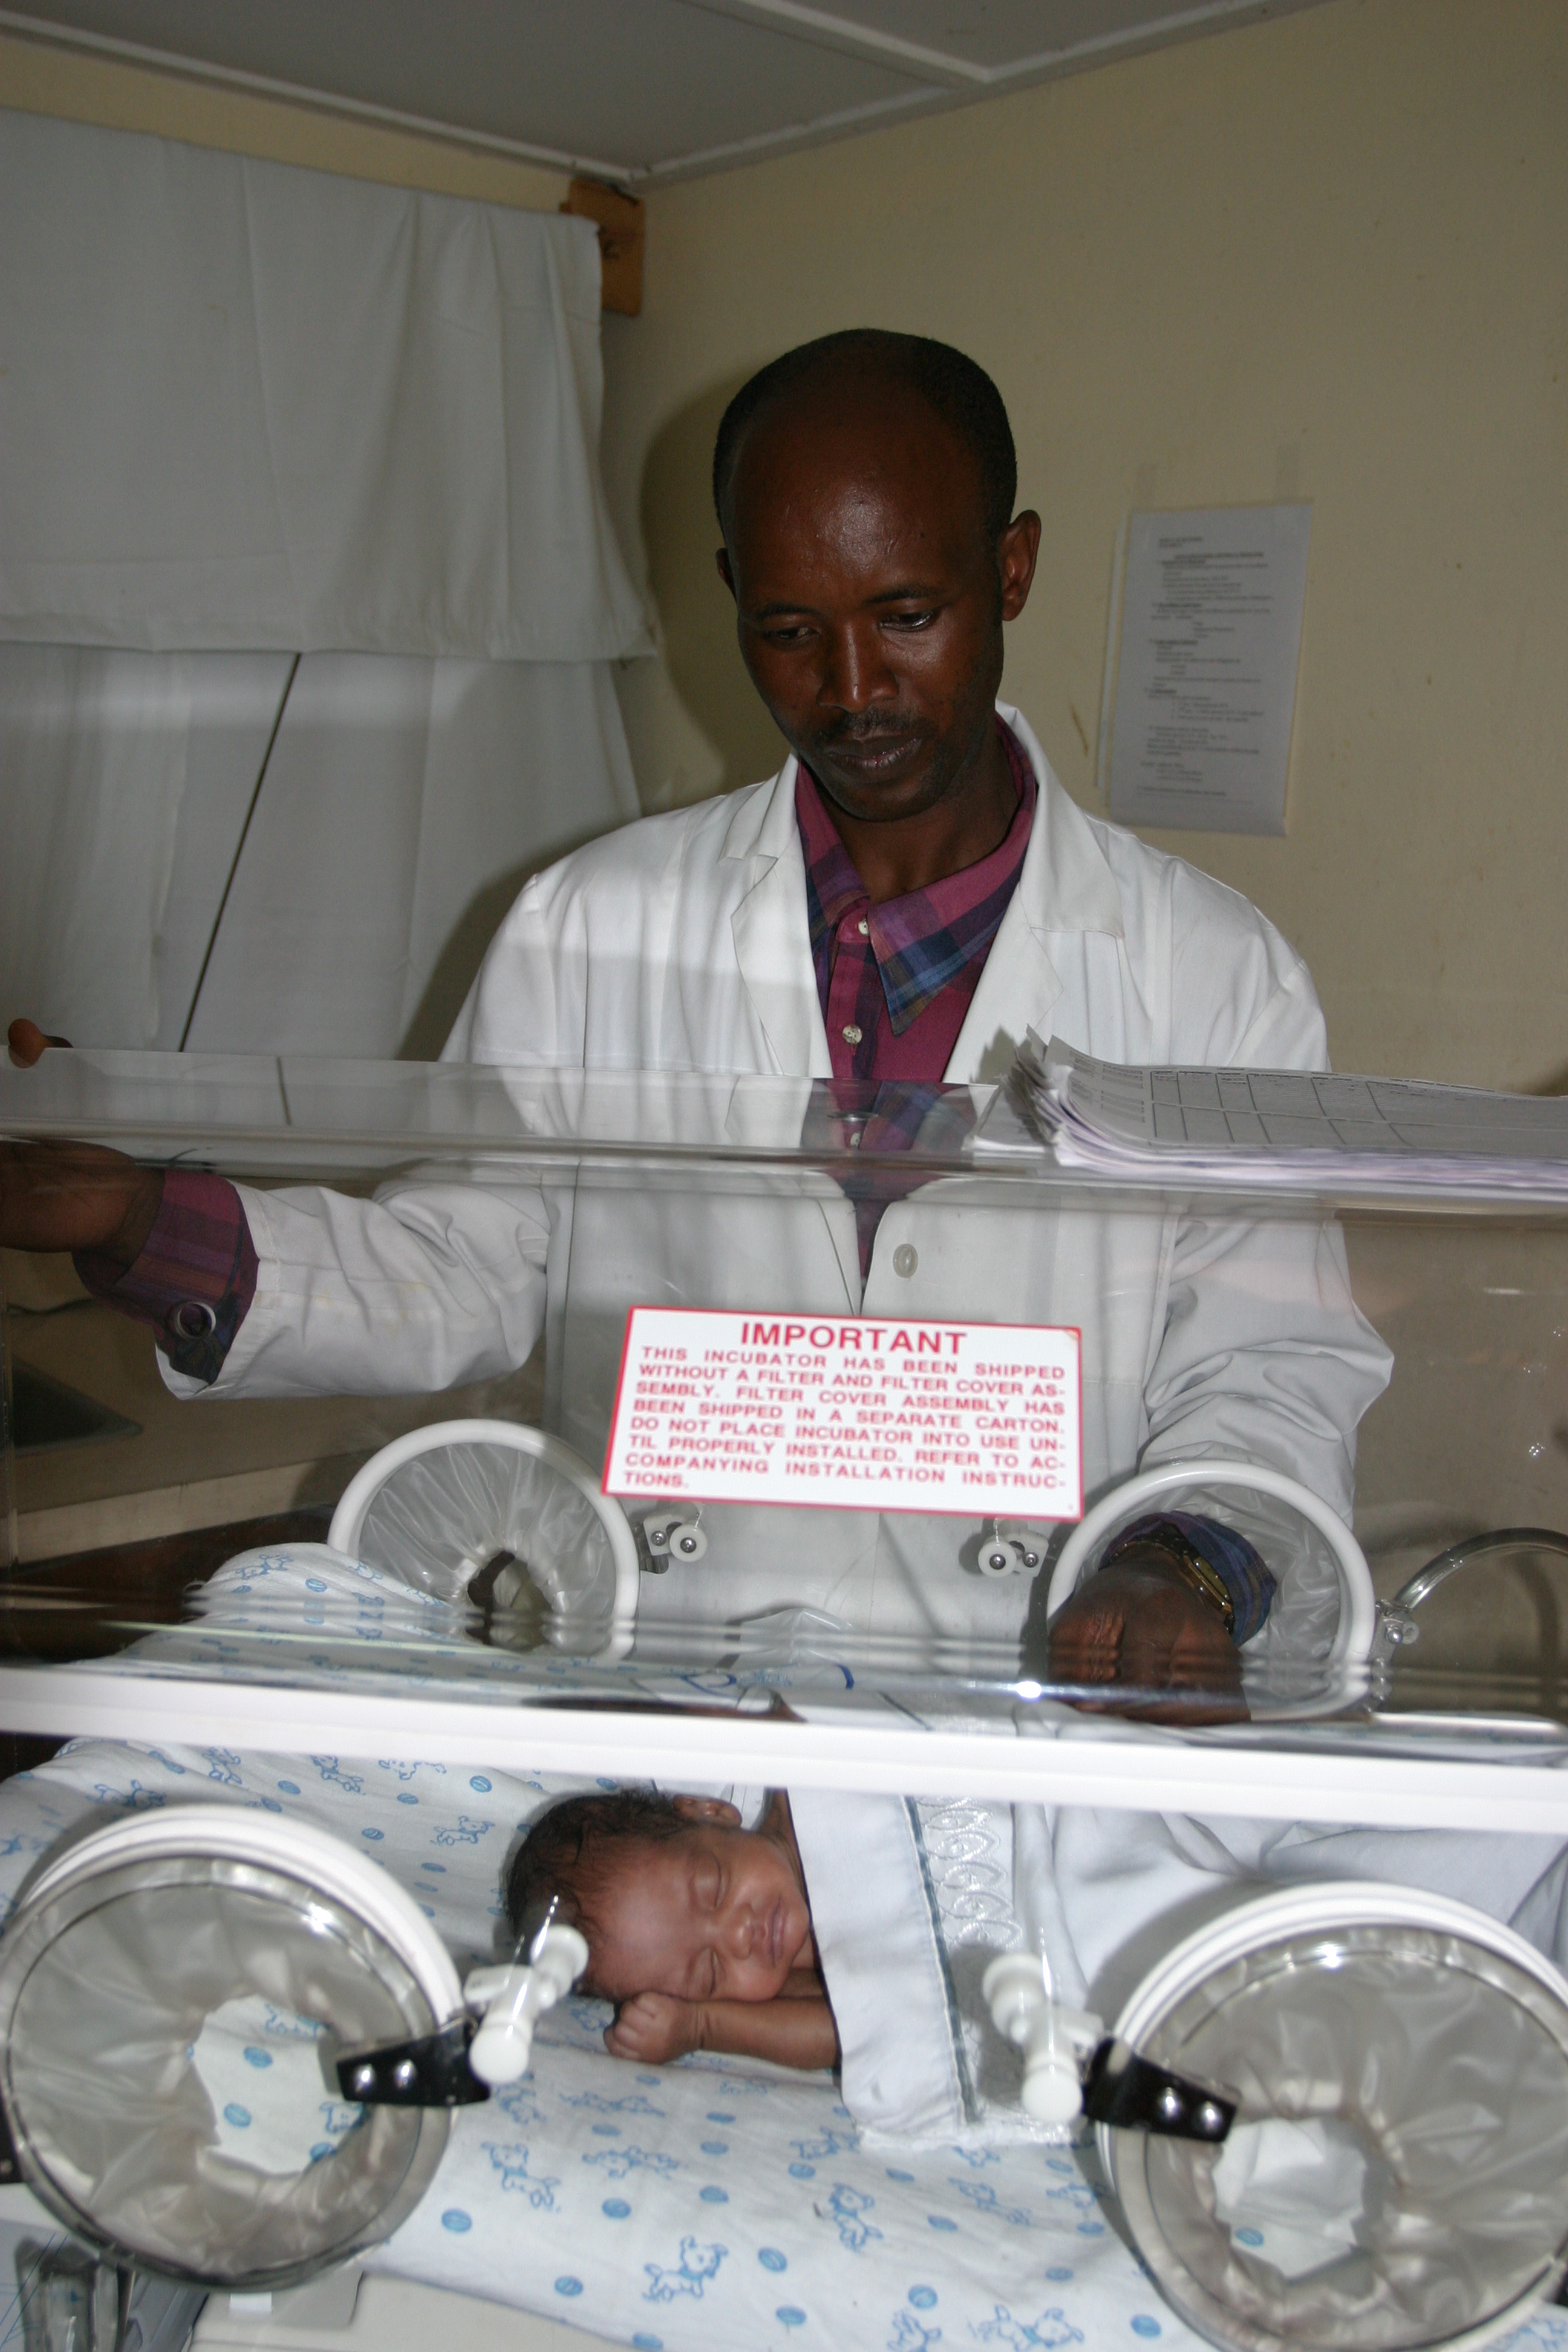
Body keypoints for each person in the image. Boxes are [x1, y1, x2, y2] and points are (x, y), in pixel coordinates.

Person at [1, 329, 1391, 1699]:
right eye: (787, 631)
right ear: (730, 596)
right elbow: (467, 1260)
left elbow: (1271, 1362)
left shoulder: (1209, 973)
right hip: (670, 1702)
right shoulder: (592, 921)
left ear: (1010, 569)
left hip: (1016, 1716)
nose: (850, 691)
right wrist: (135, 1219)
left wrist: (1185, 1562)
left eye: (906, 614)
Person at [507, 1788, 838, 2072]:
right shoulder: (794, 1990)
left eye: (714, 1889)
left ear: (710, 1813)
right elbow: (849, 2034)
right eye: (709, 1974)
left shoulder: (801, 1786)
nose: (739, 1935)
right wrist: (701, 2027)